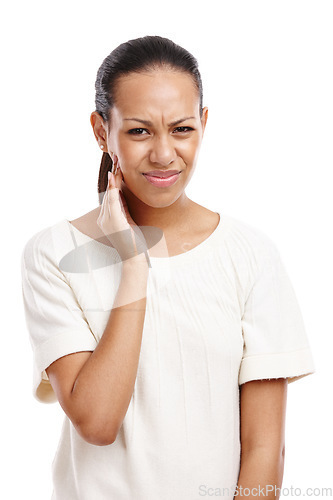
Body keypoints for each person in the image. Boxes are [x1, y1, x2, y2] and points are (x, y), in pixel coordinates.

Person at [21, 35, 315, 500]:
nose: (163, 154)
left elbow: (265, 451)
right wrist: (134, 266)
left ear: (203, 123)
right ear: (101, 131)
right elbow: (96, 422)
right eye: (139, 131)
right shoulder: (53, 253)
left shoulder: (250, 254)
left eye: (181, 129)